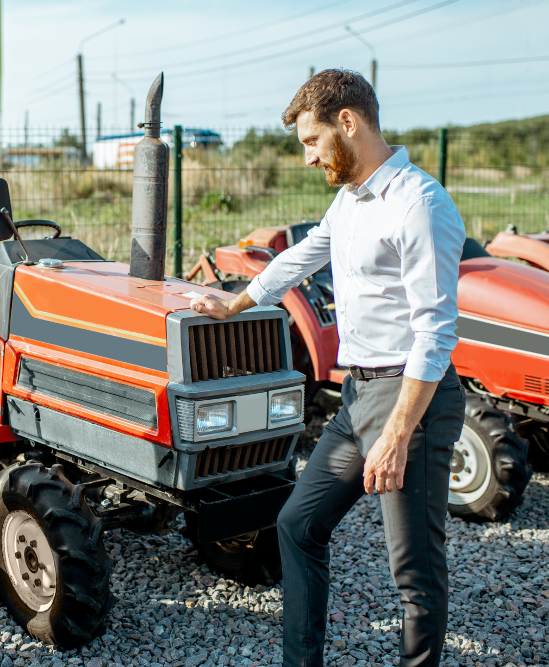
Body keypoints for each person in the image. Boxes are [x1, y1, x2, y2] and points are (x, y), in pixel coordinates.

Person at [190, 70, 466, 667]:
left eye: (312, 142)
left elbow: (435, 334)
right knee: (298, 523)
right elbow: (312, 248)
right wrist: (238, 300)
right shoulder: (352, 197)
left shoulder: (420, 204)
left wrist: (394, 438)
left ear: (348, 122)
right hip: (359, 396)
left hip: (411, 402)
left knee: (413, 571)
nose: (309, 158)